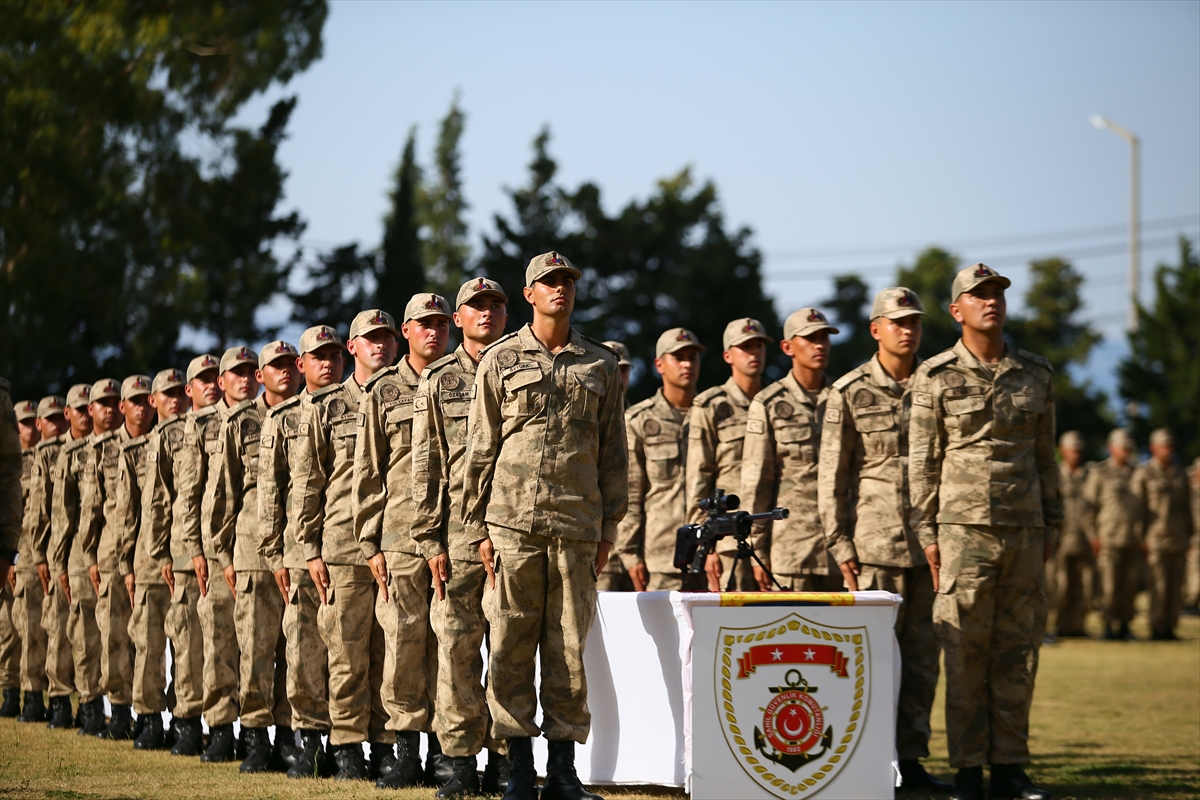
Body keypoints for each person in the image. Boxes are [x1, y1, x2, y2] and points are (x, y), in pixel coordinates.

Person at [462, 250, 627, 800]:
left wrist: (608, 528)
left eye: (567, 282)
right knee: (509, 645)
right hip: (511, 527)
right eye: (548, 282)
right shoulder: (500, 361)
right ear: (529, 294)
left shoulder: (599, 363)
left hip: (577, 527)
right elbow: (479, 450)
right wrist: (477, 528)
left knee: (567, 651)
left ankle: (561, 772)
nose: (560, 289)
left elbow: (613, 455)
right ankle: (514, 770)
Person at [909, 263, 1058, 800]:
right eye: (978, 295)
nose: (990, 302)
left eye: (996, 293)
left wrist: (1053, 526)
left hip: (1024, 530)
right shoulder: (935, 376)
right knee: (964, 653)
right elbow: (922, 464)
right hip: (962, 533)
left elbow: (1046, 458)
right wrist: (927, 535)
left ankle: (1011, 768)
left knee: (1018, 654)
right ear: (957, 310)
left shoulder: (1036, 373)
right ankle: (969, 769)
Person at [819, 287, 951, 794]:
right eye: (897, 322)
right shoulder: (850, 391)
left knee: (922, 661)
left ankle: (912, 761)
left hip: (932, 546)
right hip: (874, 547)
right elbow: (832, 476)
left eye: (914, 322)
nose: (908, 330)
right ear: (876, 329)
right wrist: (841, 546)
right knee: (870, 663)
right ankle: (868, 761)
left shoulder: (938, 382)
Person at [410, 277, 511, 796]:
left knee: (511, 652)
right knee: (454, 651)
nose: (486, 313)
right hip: (458, 536)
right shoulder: (439, 380)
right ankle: (457, 761)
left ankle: (506, 759)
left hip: (515, 533)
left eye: (495, 305)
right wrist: (429, 541)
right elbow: (424, 466)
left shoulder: (522, 368)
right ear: (459, 319)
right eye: (476, 306)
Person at [355, 294, 453, 789]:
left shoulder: (470, 381)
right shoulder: (383, 390)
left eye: (441, 323)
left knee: (451, 647)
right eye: (423, 324)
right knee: (401, 644)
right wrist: (369, 544)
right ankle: (407, 750)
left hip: (453, 535)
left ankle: (446, 751)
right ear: (407, 333)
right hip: (397, 539)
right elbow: (368, 473)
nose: (433, 332)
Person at [296, 310, 396, 781]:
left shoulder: (408, 396)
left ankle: (387, 745)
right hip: (342, 547)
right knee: (347, 653)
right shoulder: (329, 406)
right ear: (353, 347)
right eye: (370, 339)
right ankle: (348, 746)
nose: (380, 346)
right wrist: (309, 551)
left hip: (397, 543)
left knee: (393, 653)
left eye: (386, 338)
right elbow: (308, 483)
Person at [204, 343, 297, 771]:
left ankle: (288, 737)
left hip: (298, 548)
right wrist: (221, 553)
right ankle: (256, 736)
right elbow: (222, 493)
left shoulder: (309, 414)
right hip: (252, 553)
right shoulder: (242, 423)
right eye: (273, 367)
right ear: (261, 376)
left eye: (287, 365)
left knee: (296, 651)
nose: (283, 373)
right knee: (256, 650)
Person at [258, 326, 341, 778]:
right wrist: (274, 553)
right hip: (298, 551)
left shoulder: (361, 404)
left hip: (348, 545)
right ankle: (307, 741)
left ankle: (355, 745)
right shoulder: (284, 418)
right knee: (305, 648)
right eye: (317, 356)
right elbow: (270, 492)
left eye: (333, 354)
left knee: (352, 652)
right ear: (302, 365)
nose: (327, 362)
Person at [741, 307, 840, 592]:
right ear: (787, 347)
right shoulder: (769, 404)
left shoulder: (842, 398)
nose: (820, 345)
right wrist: (758, 550)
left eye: (824, 337)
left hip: (841, 554)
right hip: (791, 553)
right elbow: (756, 484)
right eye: (810, 338)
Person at [150, 354, 219, 756]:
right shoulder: (174, 433)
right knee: (188, 643)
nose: (210, 385)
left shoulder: (239, 423)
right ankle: (188, 721)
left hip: (225, 551)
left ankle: (226, 725)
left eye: (215, 378)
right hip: (185, 554)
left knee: (223, 645)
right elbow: (162, 500)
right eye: (202, 380)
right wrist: (162, 552)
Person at [194, 347, 259, 762]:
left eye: (252, 371)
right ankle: (219, 726)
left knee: (259, 643)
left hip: (257, 549)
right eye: (236, 373)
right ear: (221, 380)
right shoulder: (202, 425)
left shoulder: (266, 418)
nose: (245, 379)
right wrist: (199, 550)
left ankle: (262, 733)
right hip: (218, 550)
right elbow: (193, 492)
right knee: (218, 639)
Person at [51, 378, 122, 736]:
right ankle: (91, 704)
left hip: (118, 553)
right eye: (98, 405)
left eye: (114, 402)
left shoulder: (124, 447)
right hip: (81, 555)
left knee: (116, 635)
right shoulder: (73, 455)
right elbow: (63, 512)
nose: (108, 410)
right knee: (84, 634)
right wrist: (59, 561)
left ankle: (118, 706)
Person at [686, 318, 771, 593]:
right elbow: (699, 478)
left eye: (759, 346)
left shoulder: (777, 403)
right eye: (746, 347)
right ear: (728, 355)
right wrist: (704, 543)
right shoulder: (712, 405)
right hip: (728, 538)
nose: (754, 352)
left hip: (776, 535)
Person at [616, 327, 704, 591]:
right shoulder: (640, 420)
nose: (687, 363)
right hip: (662, 556)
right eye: (679, 357)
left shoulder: (713, 414)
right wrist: (630, 554)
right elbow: (630, 493)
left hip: (712, 553)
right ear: (659, 365)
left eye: (693, 357)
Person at [36, 384, 90, 729]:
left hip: (94, 552)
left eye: (91, 408)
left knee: (90, 634)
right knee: (58, 628)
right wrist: (45, 557)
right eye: (80, 410)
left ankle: (90, 702)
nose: (87, 414)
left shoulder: (108, 446)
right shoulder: (55, 454)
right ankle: (58, 699)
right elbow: (48, 512)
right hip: (63, 551)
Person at [12, 397, 66, 723]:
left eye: (61, 419)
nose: (54, 425)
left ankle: (59, 698)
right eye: (48, 420)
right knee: (31, 629)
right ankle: (31, 697)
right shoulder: (15, 463)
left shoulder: (65, 454)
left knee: (59, 630)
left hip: (59, 554)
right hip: (29, 556)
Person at [1132, 428, 1193, 641]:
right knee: (1157, 585)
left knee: (1176, 586)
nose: (1168, 450)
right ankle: (1156, 626)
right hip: (1154, 539)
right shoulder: (1144, 473)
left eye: (1170, 446)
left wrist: (1190, 535)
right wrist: (1139, 538)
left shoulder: (1180, 472)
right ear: (1153, 448)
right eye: (1164, 446)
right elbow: (1137, 508)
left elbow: (1187, 508)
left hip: (1178, 537)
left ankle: (1170, 626)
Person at [1082, 428, 1142, 641]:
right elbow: (1088, 508)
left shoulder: (1137, 473)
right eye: (1122, 447)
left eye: (1129, 448)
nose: (1126, 451)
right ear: (1111, 448)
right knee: (1109, 585)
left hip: (1132, 538)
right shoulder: (1099, 473)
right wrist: (1093, 536)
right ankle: (1108, 625)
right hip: (1107, 538)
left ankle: (1125, 625)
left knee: (1130, 584)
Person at [0, 398, 38, 717]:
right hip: (7, 554)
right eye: (21, 423)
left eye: (30, 422)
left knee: (29, 628)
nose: (27, 429)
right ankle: (10, 692)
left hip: (28, 556)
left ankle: (30, 693)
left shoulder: (44, 460)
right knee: (6, 629)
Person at [595, 341, 634, 593]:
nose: (618, 376)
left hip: (638, 546)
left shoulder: (638, 418)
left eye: (623, 370)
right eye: (612, 368)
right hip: (597, 541)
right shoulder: (587, 419)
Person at [1053, 431, 1093, 638]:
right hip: (1062, 540)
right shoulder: (1055, 476)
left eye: (1079, 450)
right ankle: (1061, 625)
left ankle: (1078, 626)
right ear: (1062, 451)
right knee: (1063, 587)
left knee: (1084, 587)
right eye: (1072, 450)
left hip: (1086, 540)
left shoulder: (1090, 476)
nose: (1076, 454)